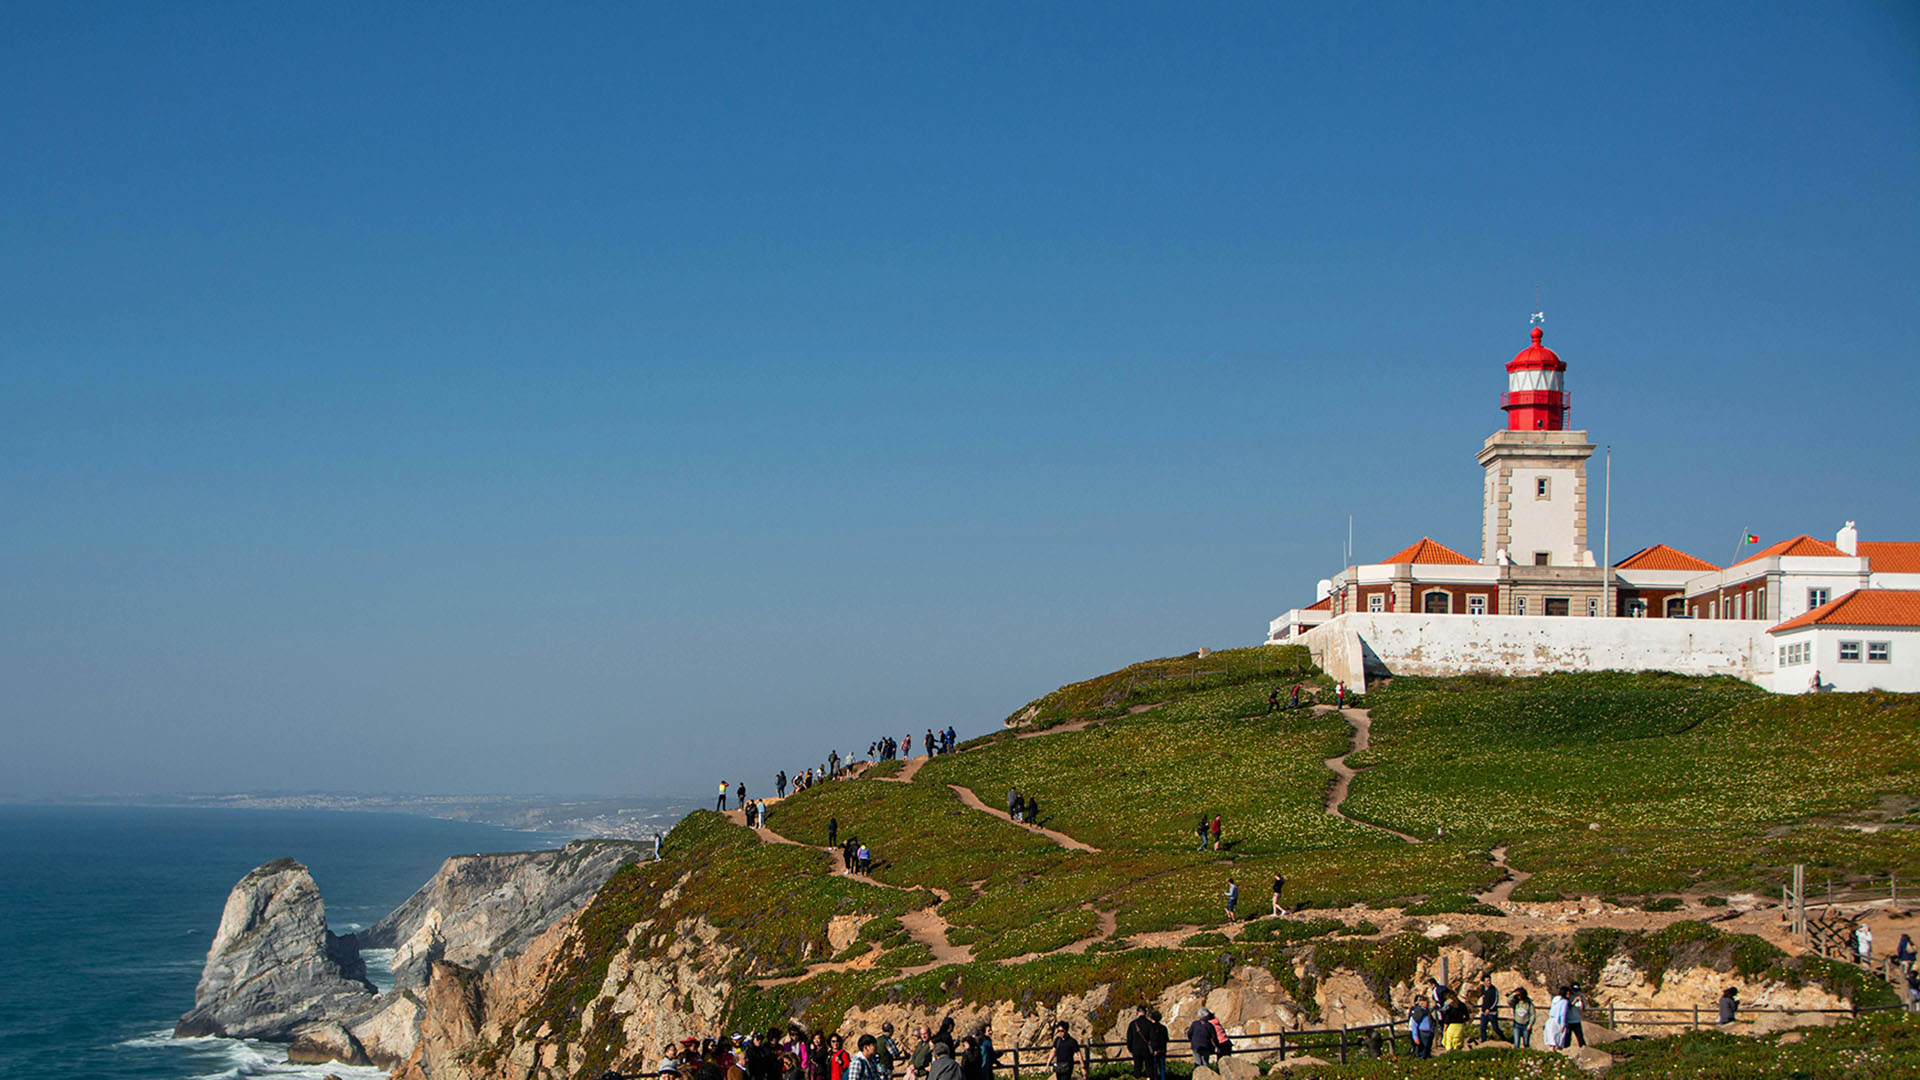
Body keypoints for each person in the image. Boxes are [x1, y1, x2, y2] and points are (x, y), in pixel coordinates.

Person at [1126, 1006, 1155, 1077]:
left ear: (1137, 1013)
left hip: (1136, 1049)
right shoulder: (1150, 1024)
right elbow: (1153, 1037)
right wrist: (1153, 1048)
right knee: (1149, 1068)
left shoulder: (1133, 1024)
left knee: (1137, 1067)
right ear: (1145, 1013)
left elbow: (1129, 1038)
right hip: (1147, 1049)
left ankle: (1137, 1078)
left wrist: (1130, 1049)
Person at [1477, 975, 1504, 1043]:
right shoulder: (1483, 989)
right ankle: (1484, 1041)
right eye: (1487, 981)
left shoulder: (1494, 989)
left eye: (1489, 980)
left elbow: (1495, 1001)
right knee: (1483, 1028)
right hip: (1484, 1012)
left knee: (1495, 1028)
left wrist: (1489, 1009)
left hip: (1492, 1012)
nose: (1489, 982)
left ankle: (1504, 1038)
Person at [1147, 1008, 1169, 1080]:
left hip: (1154, 1050)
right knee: (1162, 1067)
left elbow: (1151, 1039)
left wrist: (1154, 1049)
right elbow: (1166, 1039)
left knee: (1155, 1067)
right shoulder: (1164, 1028)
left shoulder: (1151, 1028)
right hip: (1162, 1049)